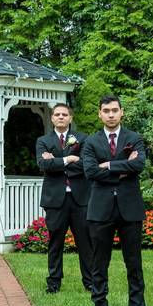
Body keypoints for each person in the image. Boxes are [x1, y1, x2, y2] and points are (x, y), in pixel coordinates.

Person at [81, 94, 148, 306]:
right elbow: (90, 171)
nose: (111, 114)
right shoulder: (91, 141)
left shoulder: (134, 138)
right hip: (100, 209)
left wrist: (108, 165)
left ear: (122, 112)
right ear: (100, 113)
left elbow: (138, 165)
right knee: (99, 263)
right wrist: (123, 167)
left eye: (114, 110)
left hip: (130, 209)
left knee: (134, 264)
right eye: (106, 111)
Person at [36, 102, 93, 294]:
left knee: (85, 243)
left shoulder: (83, 139)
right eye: (57, 114)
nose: (61, 117)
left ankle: (90, 281)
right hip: (55, 200)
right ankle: (54, 282)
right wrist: (69, 159)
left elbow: (86, 165)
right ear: (52, 118)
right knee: (55, 242)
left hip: (80, 199)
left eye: (65, 114)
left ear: (70, 118)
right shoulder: (43, 141)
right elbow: (44, 165)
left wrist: (56, 161)